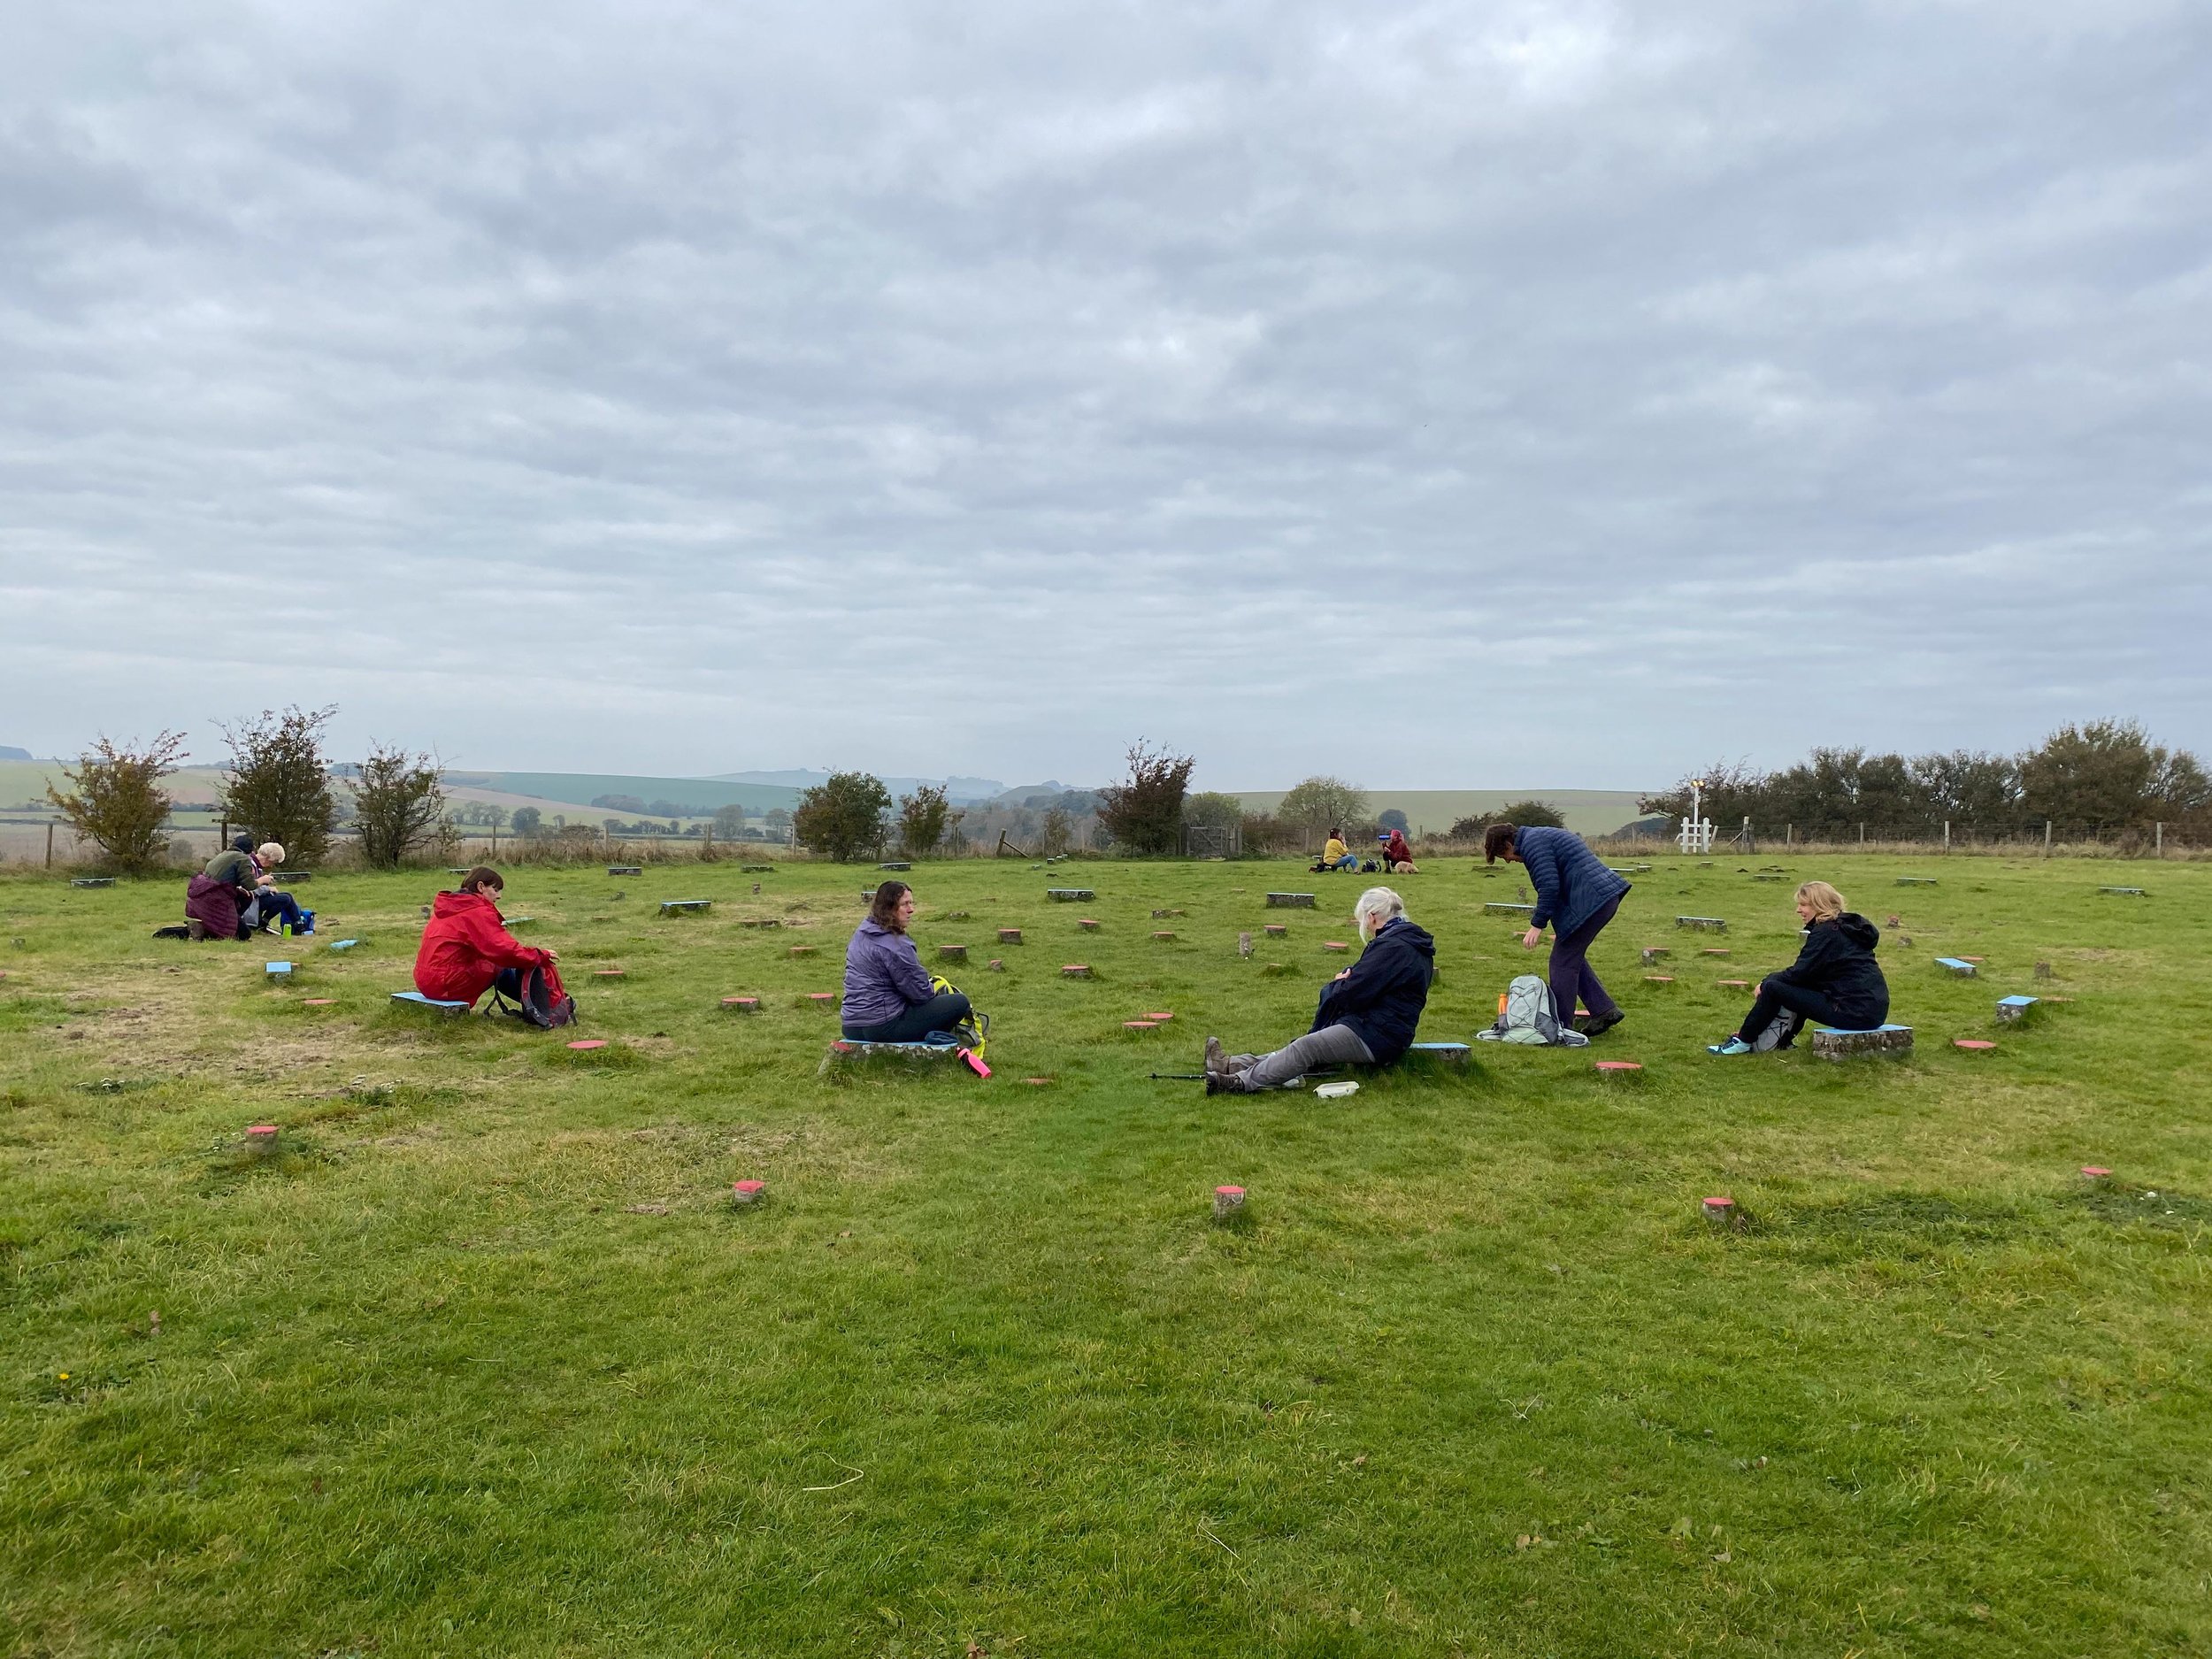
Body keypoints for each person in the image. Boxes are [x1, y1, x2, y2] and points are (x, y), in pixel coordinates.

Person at [1204, 887, 1433, 1093]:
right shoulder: (1402, 942)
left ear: (1372, 917)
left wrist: (1339, 982)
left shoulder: (1393, 948)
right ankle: (1230, 1065)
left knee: (1308, 1046)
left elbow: (1351, 993)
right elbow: (1370, 984)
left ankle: (1240, 1082)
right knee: (1305, 1045)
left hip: (1379, 1034)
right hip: (1376, 1025)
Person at [1485, 821, 1631, 1037]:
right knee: (1571, 957)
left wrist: (1537, 925)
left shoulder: (1533, 845)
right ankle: (1604, 1011)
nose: (1507, 860)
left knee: (1561, 963)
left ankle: (1560, 1027)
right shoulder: (1537, 838)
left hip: (1593, 902)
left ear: (1508, 843)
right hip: (1599, 899)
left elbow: (1549, 886)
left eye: (1503, 854)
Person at [1709, 881, 1888, 1055]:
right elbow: (1808, 976)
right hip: (1872, 1011)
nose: (1798, 910)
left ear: (1819, 905)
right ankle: (1782, 1041)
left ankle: (1743, 1041)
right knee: (1794, 987)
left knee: (1773, 988)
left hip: (1853, 1013)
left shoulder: (1827, 932)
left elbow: (1799, 973)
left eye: (1804, 905)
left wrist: (1765, 982)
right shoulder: (1844, 929)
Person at [841, 880, 973, 1042]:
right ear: (889, 907)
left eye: (912, 903)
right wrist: (934, 988)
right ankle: (933, 1040)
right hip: (883, 1026)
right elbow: (920, 994)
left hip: (851, 1026)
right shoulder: (896, 944)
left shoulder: (860, 934)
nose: (911, 909)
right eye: (905, 904)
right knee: (959, 1002)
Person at [414, 867, 562, 1010]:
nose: (499, 896)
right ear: (481, 887)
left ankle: (543, 1004)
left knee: (497, 961)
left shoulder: (450, 906)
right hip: (446, 983)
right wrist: (539, 955)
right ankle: (545, 1006)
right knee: (502, 964)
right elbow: (505, 951)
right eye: (495, 890)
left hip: (425, 980)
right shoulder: (476, 911)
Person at [184, 834, 259, 940]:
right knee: (243, 934)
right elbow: (250, 885)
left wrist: (238, 888)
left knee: (246, 897)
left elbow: (220, 880)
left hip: (205, 898)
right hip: (217, 900)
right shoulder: (242, 858)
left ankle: (219, 925)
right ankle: (200, 928)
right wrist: (262, 880)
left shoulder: (222, 855)